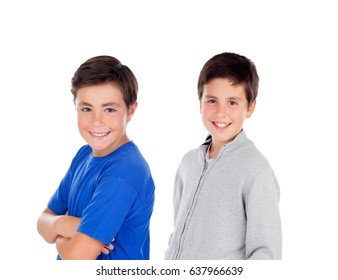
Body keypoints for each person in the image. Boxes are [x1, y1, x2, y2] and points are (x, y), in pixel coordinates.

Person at [165, 52, 282, 260]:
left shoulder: (256, 170)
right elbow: (178, 234)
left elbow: (266, 253)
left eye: (232, 102)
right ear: (200, 102)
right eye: (212, 100)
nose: (221, 112)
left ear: (250, 107)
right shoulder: (188, 163)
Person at [37, 55, 155, 260]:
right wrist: (65, 224)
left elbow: (77, 258)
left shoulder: (124, 173)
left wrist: (59, 234)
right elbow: (42, 221)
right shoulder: (84, 155)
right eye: (86, 109)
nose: (97, 121)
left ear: (131, 109)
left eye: (109, 109)